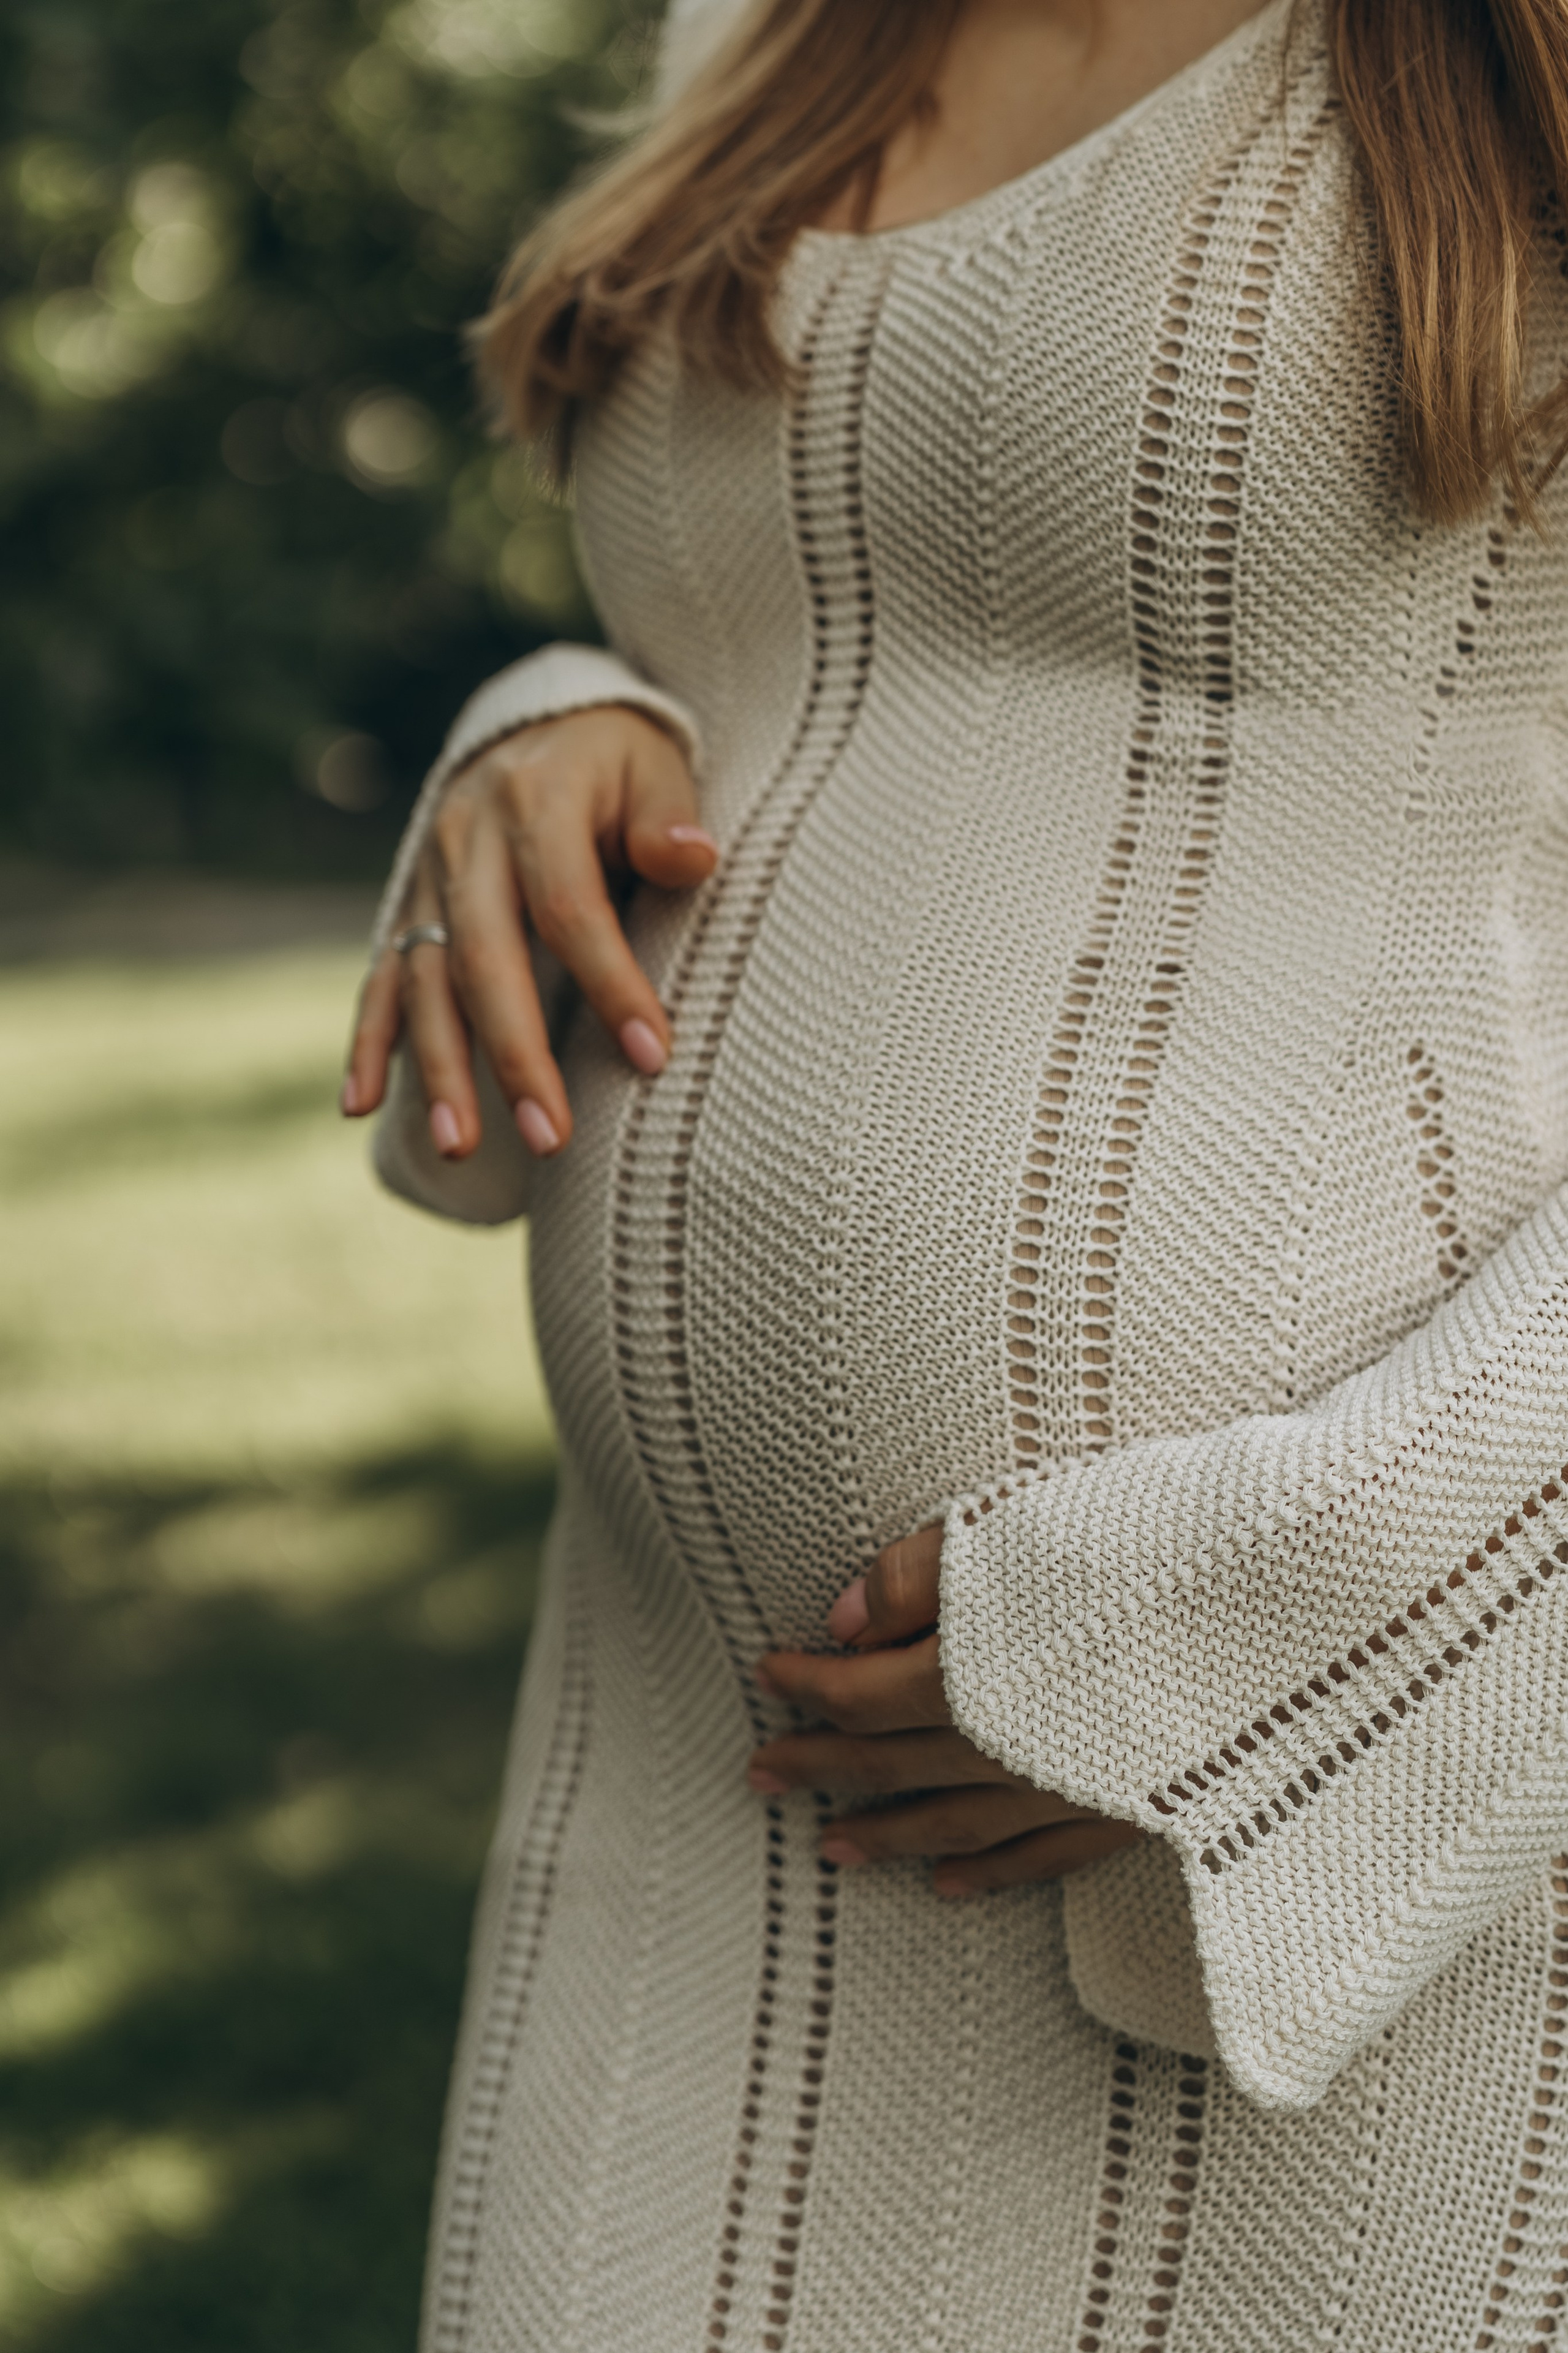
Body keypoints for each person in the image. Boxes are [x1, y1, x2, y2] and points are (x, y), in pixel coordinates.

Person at [342, 1, 1568, 2344]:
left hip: (1340, 1823)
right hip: (684, 1773)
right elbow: (807, 610)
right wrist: (558, 720)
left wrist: (1314, 1637)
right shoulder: (769, 19)